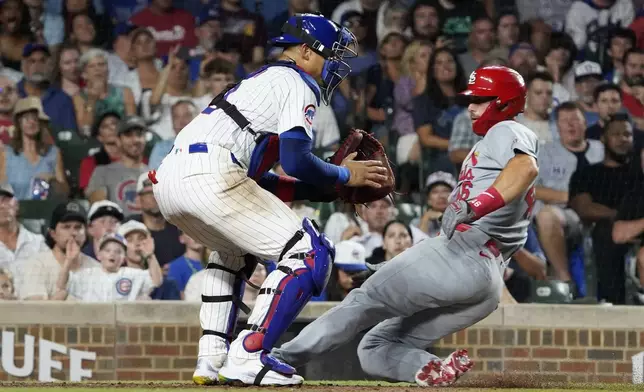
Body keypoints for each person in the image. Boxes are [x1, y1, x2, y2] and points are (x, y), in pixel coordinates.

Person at [150, 14, 388, 386]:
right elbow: (294, 161)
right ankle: (248, 353)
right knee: (311, 252)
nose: (335, 65)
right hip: (212, 173)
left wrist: (324, 188)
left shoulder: (263, 83)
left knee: (234, 251)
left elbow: (259, 181)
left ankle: (211, 359)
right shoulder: (297, 80)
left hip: (173, 179)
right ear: (307, 52)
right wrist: (344, 174)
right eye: (331, 55)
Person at [271, 66, 539, 387]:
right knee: (374, 349)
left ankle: (279, 358)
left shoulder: (507, 130)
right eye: (472, 99)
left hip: (459, 253)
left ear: (505, 103)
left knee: (362, 301)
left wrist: (476, 205)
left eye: (481, 100)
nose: (471, 107)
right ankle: (431, 368)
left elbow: (526, 167)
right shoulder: (493, 142)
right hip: (485, 285)